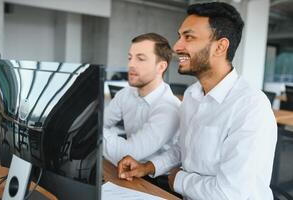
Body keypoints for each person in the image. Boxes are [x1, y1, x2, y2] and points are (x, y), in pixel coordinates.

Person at [117, 2, 277, 200]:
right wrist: (147, 167)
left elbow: (230, 194)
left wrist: (178, 180)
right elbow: (185, 149)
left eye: (189, 37)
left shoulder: (251, 107)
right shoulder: (193, 94)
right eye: (179, 36)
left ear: (220, 47)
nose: (176, 46)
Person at [103, 33, 181, 165]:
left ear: (161, 67)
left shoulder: (169, 108)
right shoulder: (125, 94)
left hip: (155, 180)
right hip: (128, 171)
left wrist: (94, 131)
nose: (131, 64)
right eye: (130, 58)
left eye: (140, 59)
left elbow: (126, 155)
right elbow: (101, 123)